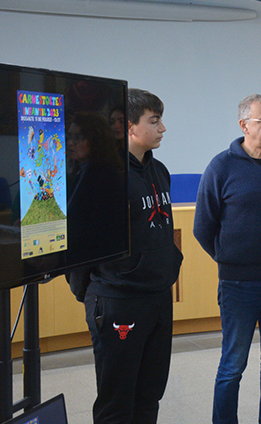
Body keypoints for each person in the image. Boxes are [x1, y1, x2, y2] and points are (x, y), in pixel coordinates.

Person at [193, 93, 261, 424]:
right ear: (243, 125)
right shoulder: (221, 166)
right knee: (232, 365)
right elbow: (202, 227)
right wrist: (230, 259)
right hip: (238, 283)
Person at [83, 89, 183, 423]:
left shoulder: (160, 171)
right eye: (154, 121)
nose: (163, 129)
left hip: (157, 298)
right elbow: (84, 242)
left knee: (149, 396)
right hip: (119, 299)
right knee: (116, 401)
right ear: (129, 127)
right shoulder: (104, 175)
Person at [64, 112, 125, 301]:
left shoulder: (104, 177)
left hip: (100, 277)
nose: (71, 142)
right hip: (88, 273)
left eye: (79, 137)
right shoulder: (79, 173)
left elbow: (96, 231)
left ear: (96, 140)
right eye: (69, 136)